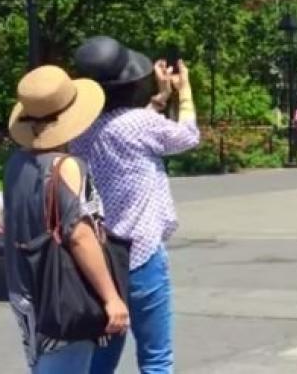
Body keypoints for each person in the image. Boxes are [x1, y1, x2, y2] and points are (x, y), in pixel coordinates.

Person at [71, 36, 200, 374]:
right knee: (156, 357)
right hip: (141, 252)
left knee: (101, 357)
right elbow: (187, 136)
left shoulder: (79, 132)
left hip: (98, 261)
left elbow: (119, 130)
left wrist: (158, 101)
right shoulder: (139, 125)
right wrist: (183, 92)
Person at [2, 65, 129, 373]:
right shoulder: (66, 167)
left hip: (26, 290)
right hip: (64, 294)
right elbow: (79, 235)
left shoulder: (16, 163)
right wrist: (112, 298)